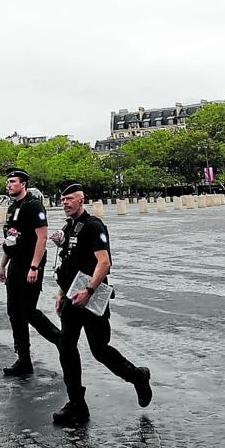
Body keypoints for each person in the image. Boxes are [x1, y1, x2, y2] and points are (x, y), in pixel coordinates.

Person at [52, 182, 152, 425]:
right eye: (63, 199)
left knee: (100, 350)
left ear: (81, 200)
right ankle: (77, 403)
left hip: (91, 296)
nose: (65, 203)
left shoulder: (93, 226)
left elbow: (104, 263)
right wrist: (60, 292)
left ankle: (137, 376)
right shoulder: (69, 227)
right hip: (71, 297)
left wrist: (88, 290)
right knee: (66, 348)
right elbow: (66, 263)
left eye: (70, 199)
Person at [0, 170, 60, 377]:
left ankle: (61, 341)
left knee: (28, 311)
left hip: (30, 265)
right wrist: (2, 265)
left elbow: (42, 238)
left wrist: (34, 267)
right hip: (15, 263)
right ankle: (23, 360)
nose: (9, 185)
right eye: (8, 182)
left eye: (13, 182)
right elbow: (9, 239)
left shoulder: (34, 206)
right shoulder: (12, 207)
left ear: (23, 184)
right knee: (14, 313)